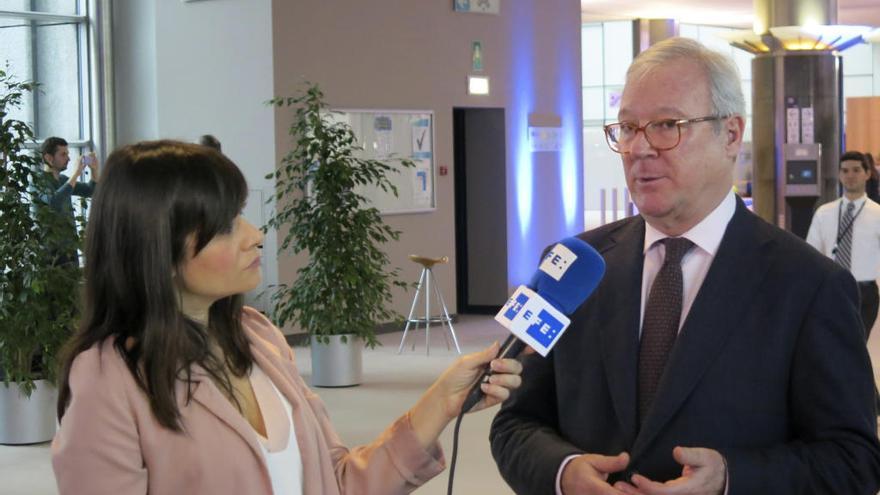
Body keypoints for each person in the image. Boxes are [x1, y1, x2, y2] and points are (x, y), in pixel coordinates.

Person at [490, 37, 880, 495]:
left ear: (731, 134)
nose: (639, 149)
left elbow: (854, 460)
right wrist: (562, 472)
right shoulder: (570, 266)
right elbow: (513, 423)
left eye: (666, 125)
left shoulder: (810, 285)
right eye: (628, 127)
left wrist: (731, 477)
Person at [52, 140, 523, 495]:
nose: (255, 236)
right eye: (225, 225)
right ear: (159, 248)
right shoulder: (108, 378)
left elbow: (338, 481)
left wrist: (440, 401)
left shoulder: (257, 337)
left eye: (243, 215)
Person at [807, 151, 880, 336]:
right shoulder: (824, 213)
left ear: (867, 173)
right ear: (839, 175)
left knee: (857, 344)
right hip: (831, 289)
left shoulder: (877, 214)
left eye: (856, 170)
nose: (850, 176)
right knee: (832, 343)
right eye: (845, 171)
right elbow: (812, 253)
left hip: (864, 292)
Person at [40, 136, 99, 265]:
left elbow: (91, 191)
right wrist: (77, 172)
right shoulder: (38, 180)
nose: (68, 158)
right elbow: (54, 202)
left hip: (69, 248)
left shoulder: (62, 179)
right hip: (50, 251)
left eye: (68, 153)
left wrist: (94, 170)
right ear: (49, 158)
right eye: (63, 154)